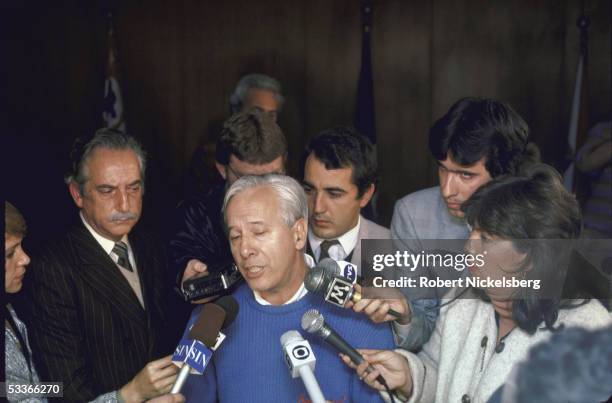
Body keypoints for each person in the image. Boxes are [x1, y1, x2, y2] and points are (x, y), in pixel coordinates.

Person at [341, 164, 612, 403]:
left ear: (533, 254)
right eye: (472, 231)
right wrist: (409, 376)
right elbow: (438, 372)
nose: (469, 247)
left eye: (487, 239)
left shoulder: (589, 330)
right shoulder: (462, 298)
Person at [181, 174, 395, 402]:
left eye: (259, 232)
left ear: (298, 234)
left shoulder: (362, 314)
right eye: (235, 236)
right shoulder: (210, 319)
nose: (244, 250)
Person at [21, 129, 181, 402]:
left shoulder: (152, 243)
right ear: (77, 194)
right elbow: (64, 390)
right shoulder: (52, 268)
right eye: (107, 190)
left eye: (133, 187)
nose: (124, 203)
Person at [386, 97, 539, 351]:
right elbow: (423, 324)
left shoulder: (539, 219)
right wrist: (404, 317)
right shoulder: (411, 214)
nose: (447, 190)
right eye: (443, 169)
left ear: (503, 173)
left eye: (465, 175)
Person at [5, 201, 185, 403]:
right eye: (10, 254)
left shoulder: (9, 313)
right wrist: (129, 394)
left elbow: (39, 391)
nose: (25, 259)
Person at [170, 108, 287, 294]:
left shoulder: (304, 205)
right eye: (249, 180)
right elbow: (183, 269)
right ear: (222, 169)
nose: (262, 190)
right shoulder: (195, 216)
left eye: (273, 177)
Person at [302, 126, 389, 273]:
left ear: (366, 195)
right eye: (309, 190)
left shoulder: (395, 250)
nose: (317, 207)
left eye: (334, 194)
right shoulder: (278, 242)